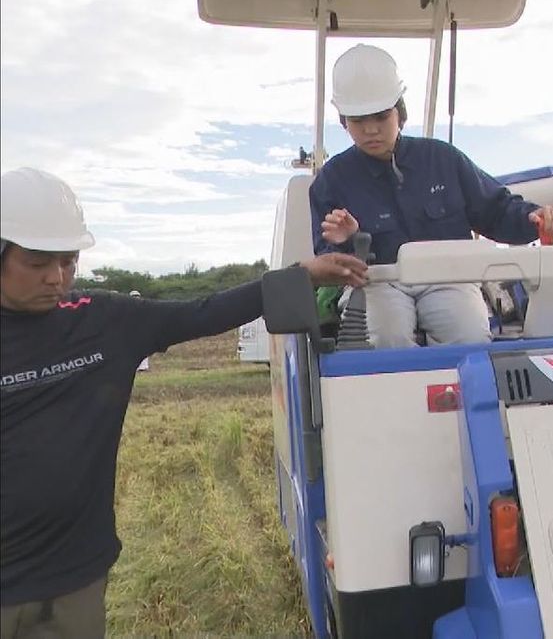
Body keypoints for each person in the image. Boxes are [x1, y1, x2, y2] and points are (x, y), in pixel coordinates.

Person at [0, 167, 367, 639]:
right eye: (38, 262)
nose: (57, 277)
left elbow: (205, 310)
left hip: (76, 579)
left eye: (68, 262)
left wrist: (300, 276)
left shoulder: (103, 322)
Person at [310, 43, 553, 349]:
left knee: (470, 335)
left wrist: (534, 219)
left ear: (400, 113)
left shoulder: (442, 159)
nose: (370, 130)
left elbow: (495, 210)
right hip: (378, 281)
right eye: (358, 120)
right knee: (385, 338)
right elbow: (326, 260)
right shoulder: (332, 179)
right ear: (344, 122)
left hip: (451, 278)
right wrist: (346, 242)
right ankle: (397, 397)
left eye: (380, 117)